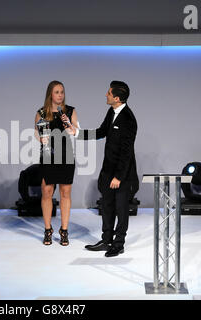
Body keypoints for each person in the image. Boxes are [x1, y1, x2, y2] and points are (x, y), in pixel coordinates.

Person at [64, 81, 138, 257]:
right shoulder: (111, 111)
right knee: (107, 206)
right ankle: (106, 240)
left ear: (117, 98)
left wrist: (119, 177)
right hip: (107, 171)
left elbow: (126, 152)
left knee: (121, 209)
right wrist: (77, 133)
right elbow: (101, 132)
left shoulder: (128, 119)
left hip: (122, 174)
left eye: (109, 93)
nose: (106, 95)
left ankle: (118, 244)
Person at [34, 80, 79, 246]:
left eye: (62, 92)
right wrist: (42, 138)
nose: (60, 95)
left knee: (65, 193)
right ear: (50, 94)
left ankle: (64, 230)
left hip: (66, 155)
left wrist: (68, 124)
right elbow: (39, 135)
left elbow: (75, 132)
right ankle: (48, 229)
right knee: (47, 191)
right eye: (57, 92)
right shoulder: (41, 113)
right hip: (48, 155)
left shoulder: (70, 111)